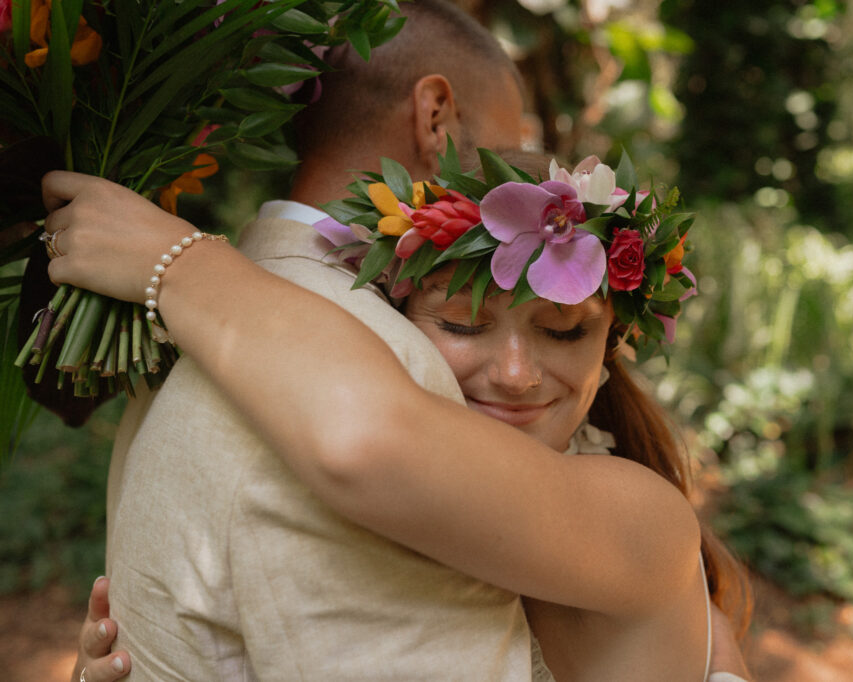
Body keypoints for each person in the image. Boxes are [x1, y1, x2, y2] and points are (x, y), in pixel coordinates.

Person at [45, 150, 755, 681]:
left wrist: (171, 262)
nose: (514, 373)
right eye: (463, 324)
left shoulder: (641, 516)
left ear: (609, 353)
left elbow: (367, 437)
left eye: (563, 331)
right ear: (393, 326)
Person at [57, 1, 536, 680]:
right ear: (437, 118)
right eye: (511, 155)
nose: (528, 193)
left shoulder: (173, 322)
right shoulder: (386, 365)